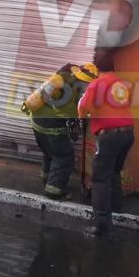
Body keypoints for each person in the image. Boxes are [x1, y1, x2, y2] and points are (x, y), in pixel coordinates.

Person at [21, 62, 99, 200]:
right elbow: (75, 114)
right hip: (52, 127)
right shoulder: (79, 91)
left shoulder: (63, 77)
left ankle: (46, 177)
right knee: (64, 157)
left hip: (36, 122)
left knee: (49, 151)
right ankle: (54, 190)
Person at [78, 58, 134, 236]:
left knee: (100, 178)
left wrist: (83, 113)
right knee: (114, 171)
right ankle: (116, 207)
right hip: (128, 134)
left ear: (97, 69)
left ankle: (102, 225)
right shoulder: (122, 85)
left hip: (109, 136)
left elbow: (83, 107)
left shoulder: (97, 84)